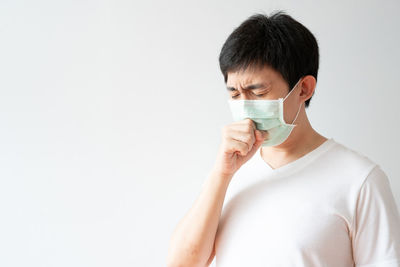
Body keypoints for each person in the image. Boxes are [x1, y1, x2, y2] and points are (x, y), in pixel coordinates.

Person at [166, 11, 400, 267]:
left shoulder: (360, 180)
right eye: (234, 94)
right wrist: (221, 174)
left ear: (304, 88)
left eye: (258, 92)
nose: (245, 106)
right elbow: (181, 264)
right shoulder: (229, 174)